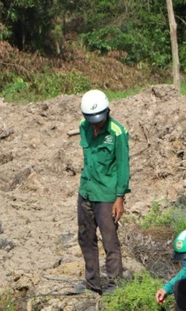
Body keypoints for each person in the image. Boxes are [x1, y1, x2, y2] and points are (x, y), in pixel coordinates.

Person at [71, 89, 130, 295]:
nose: (96, 123)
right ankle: (92, 283)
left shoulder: (117, 132)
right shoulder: (83, 127)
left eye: (99, 118)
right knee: (85, 238)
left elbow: (123, 166)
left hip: (107, 195)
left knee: (109, 240)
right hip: (86, 191)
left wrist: (119, 197)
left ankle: (115, 284)